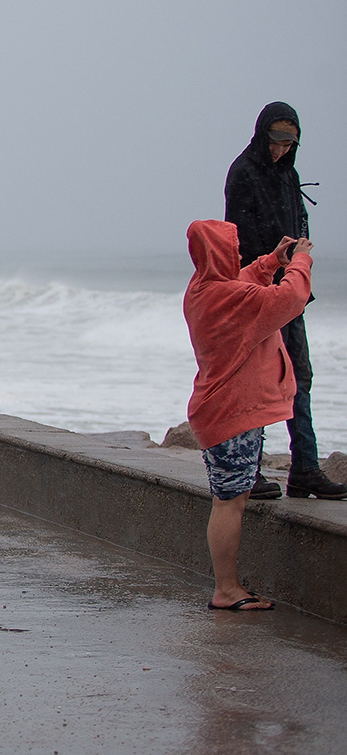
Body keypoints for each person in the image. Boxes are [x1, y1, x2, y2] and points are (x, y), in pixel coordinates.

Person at [183, 220, 312, 611]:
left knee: (227, 499)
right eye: (232, 248)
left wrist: (271, 261)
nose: (237, 254)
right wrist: (300, 263)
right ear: (221, 253)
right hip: (232, 413)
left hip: (217, 410)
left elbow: (239, 280)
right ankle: (226, 590)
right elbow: (289, 300)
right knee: (229, 503)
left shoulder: (202, 289)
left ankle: (228, 586)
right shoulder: (231, 299)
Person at [223, 102, 343, 500]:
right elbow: (240, 240)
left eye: (289, 142)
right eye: (276, 140)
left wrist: (299, 277)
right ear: (262, 135)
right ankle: (248, 473)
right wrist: (268, 273)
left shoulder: (289, 174)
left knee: (299, 379)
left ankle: (305, 469)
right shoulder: (243, 173)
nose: (281, 148)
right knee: (257, 383)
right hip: (258, 296)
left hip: (289, 296)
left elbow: (298, 228)